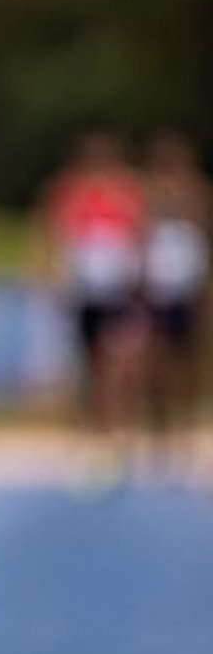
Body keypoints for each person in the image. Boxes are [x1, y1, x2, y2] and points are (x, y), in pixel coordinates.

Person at [37, 132, 147, 435]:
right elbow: (57, 234)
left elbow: (138, 235)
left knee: (116, 358)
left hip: (116, 288)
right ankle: (89, 420)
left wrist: (137, 279)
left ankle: (116, 419)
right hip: (83, 287)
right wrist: (54, 273)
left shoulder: (127, 190)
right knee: (84, 356)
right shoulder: (70, 190)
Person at [138, 132, 210, 456]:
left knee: (186, 362)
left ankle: (182, 425)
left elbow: (202, 239)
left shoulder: (198, 195)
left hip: (187, 290)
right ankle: (158, 427)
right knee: (155, 362)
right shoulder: (146, 197)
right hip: (157, 291)